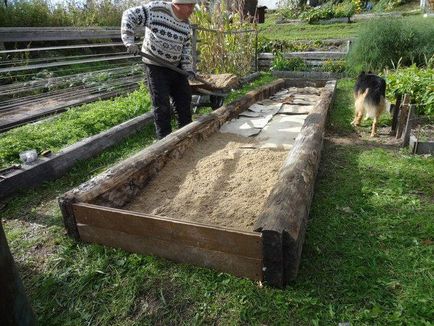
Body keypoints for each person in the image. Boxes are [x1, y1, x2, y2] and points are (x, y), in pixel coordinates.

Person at [121, 0, 198, 139]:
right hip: (155, 65)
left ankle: (187, 135)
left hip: (176, 66)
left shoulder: (186, 24)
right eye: (190, 6)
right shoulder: (156, 10)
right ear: (178, 4)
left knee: (184, 101)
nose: (192, 9)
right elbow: (129, 14)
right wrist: (129, 41)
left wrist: (188, 69)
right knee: (161, 105)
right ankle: (164, 142)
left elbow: (186, 49)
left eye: (193, 6)